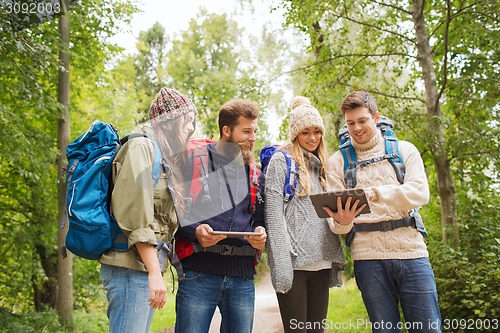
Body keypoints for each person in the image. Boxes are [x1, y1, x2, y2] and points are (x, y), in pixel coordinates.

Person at [325, 91, 441, 333]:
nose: (356, 128)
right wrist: (343, 222)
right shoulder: (337, 162)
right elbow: (336, 224)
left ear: (375, 117)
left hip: (412, 252)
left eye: (362, 120)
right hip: (368, 258)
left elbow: (420, 193)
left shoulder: (405, 150)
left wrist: (377, 193)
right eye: (351, 123)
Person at [99, 87, 197, 333]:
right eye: (187, 122)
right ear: (171, 121)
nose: (190, 129)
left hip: (141, 269)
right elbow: (135, 214)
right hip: (130, 270)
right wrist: (154, 271)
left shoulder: (160, 154)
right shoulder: (142, 148)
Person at [174, 99, 267, 333]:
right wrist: (194, 231)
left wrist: (260, 233)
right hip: (198, 272)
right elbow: (173, 212)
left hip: (242, 276)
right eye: (246, 131)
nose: (253, 137)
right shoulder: (193, 161)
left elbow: (260, 220)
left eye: (254, 131)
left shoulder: (255, 173)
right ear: (226, 130)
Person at [264, 96, 345, 333]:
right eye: (305, 132)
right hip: (294, 264)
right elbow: (273, 216)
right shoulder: (281, 162)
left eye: (317, 131)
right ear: (295, 135)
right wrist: (280, 266)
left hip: (321, 261)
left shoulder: (323, 166)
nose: (312, 138)